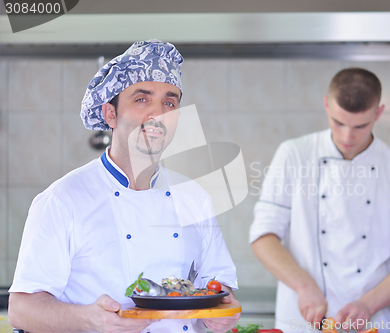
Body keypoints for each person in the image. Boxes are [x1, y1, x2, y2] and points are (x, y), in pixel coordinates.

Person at [8, 40, 240, 333]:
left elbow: (219, 286)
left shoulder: (195, 198)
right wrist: (89, 320)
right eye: (142, 99)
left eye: (169, 102)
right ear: (110, 114)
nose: (158, 113)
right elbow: (21, 309)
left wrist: (223, 311)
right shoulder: (63, 199)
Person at [249, 68, 390, 333]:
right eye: (338, 122)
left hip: (370, 323)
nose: (347, 137)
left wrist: (367, 305)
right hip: (301, 321)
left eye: (360, 126)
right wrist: (304, 286)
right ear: (326, 104)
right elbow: (262, 235)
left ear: (378, 113)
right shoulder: (294, 155)